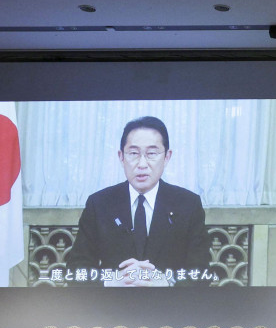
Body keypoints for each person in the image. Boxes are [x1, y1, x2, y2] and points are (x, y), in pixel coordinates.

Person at [64, 116, 210, 284]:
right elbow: (76, 269)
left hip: (169, 306)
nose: (142, 164)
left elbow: (201, 272)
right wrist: (112, 282)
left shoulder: (188, 204)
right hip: (113, 305)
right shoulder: (99, 204)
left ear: (167, 157)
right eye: (133, 153)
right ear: (121, 156)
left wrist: (167, 283)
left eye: (151, 154)